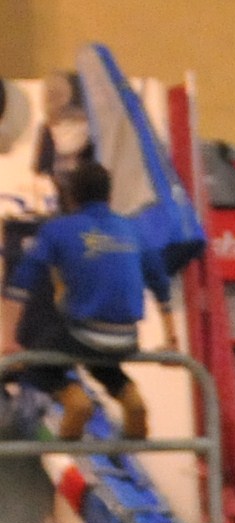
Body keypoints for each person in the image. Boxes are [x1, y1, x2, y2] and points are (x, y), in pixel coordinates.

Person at [1, 161, 171, 443]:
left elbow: (19, 286)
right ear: (110, 196)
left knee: (34, 363)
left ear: (72, 197)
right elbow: (161, 283)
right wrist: (172, 338)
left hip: (81, 334)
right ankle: (134, 404)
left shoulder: (59, 229)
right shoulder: (132, 229)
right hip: (126, 339)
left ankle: (76, 403)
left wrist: (9, 342)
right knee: (97, 357)